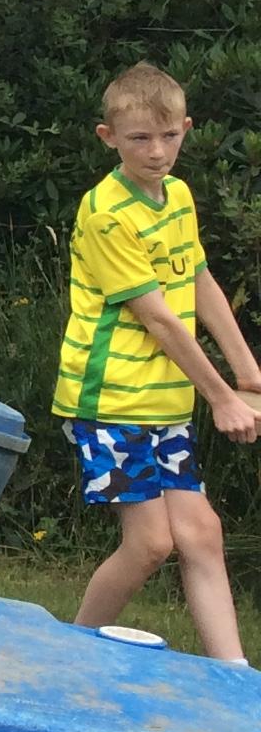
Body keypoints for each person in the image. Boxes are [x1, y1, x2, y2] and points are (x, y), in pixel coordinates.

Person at [52, 60, 260, 662]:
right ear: (108, 137)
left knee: (202, 534)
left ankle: (235, 677)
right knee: (150, 544)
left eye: (169, 136)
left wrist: (248, 372)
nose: (157, 152)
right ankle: (68, 651)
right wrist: (221, 397)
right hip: (111, 401)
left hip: (165, 401)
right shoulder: (107, 213)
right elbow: (161, 319)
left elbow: (197, 278)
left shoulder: (178, 196)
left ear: (186, 129)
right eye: (140, 138)